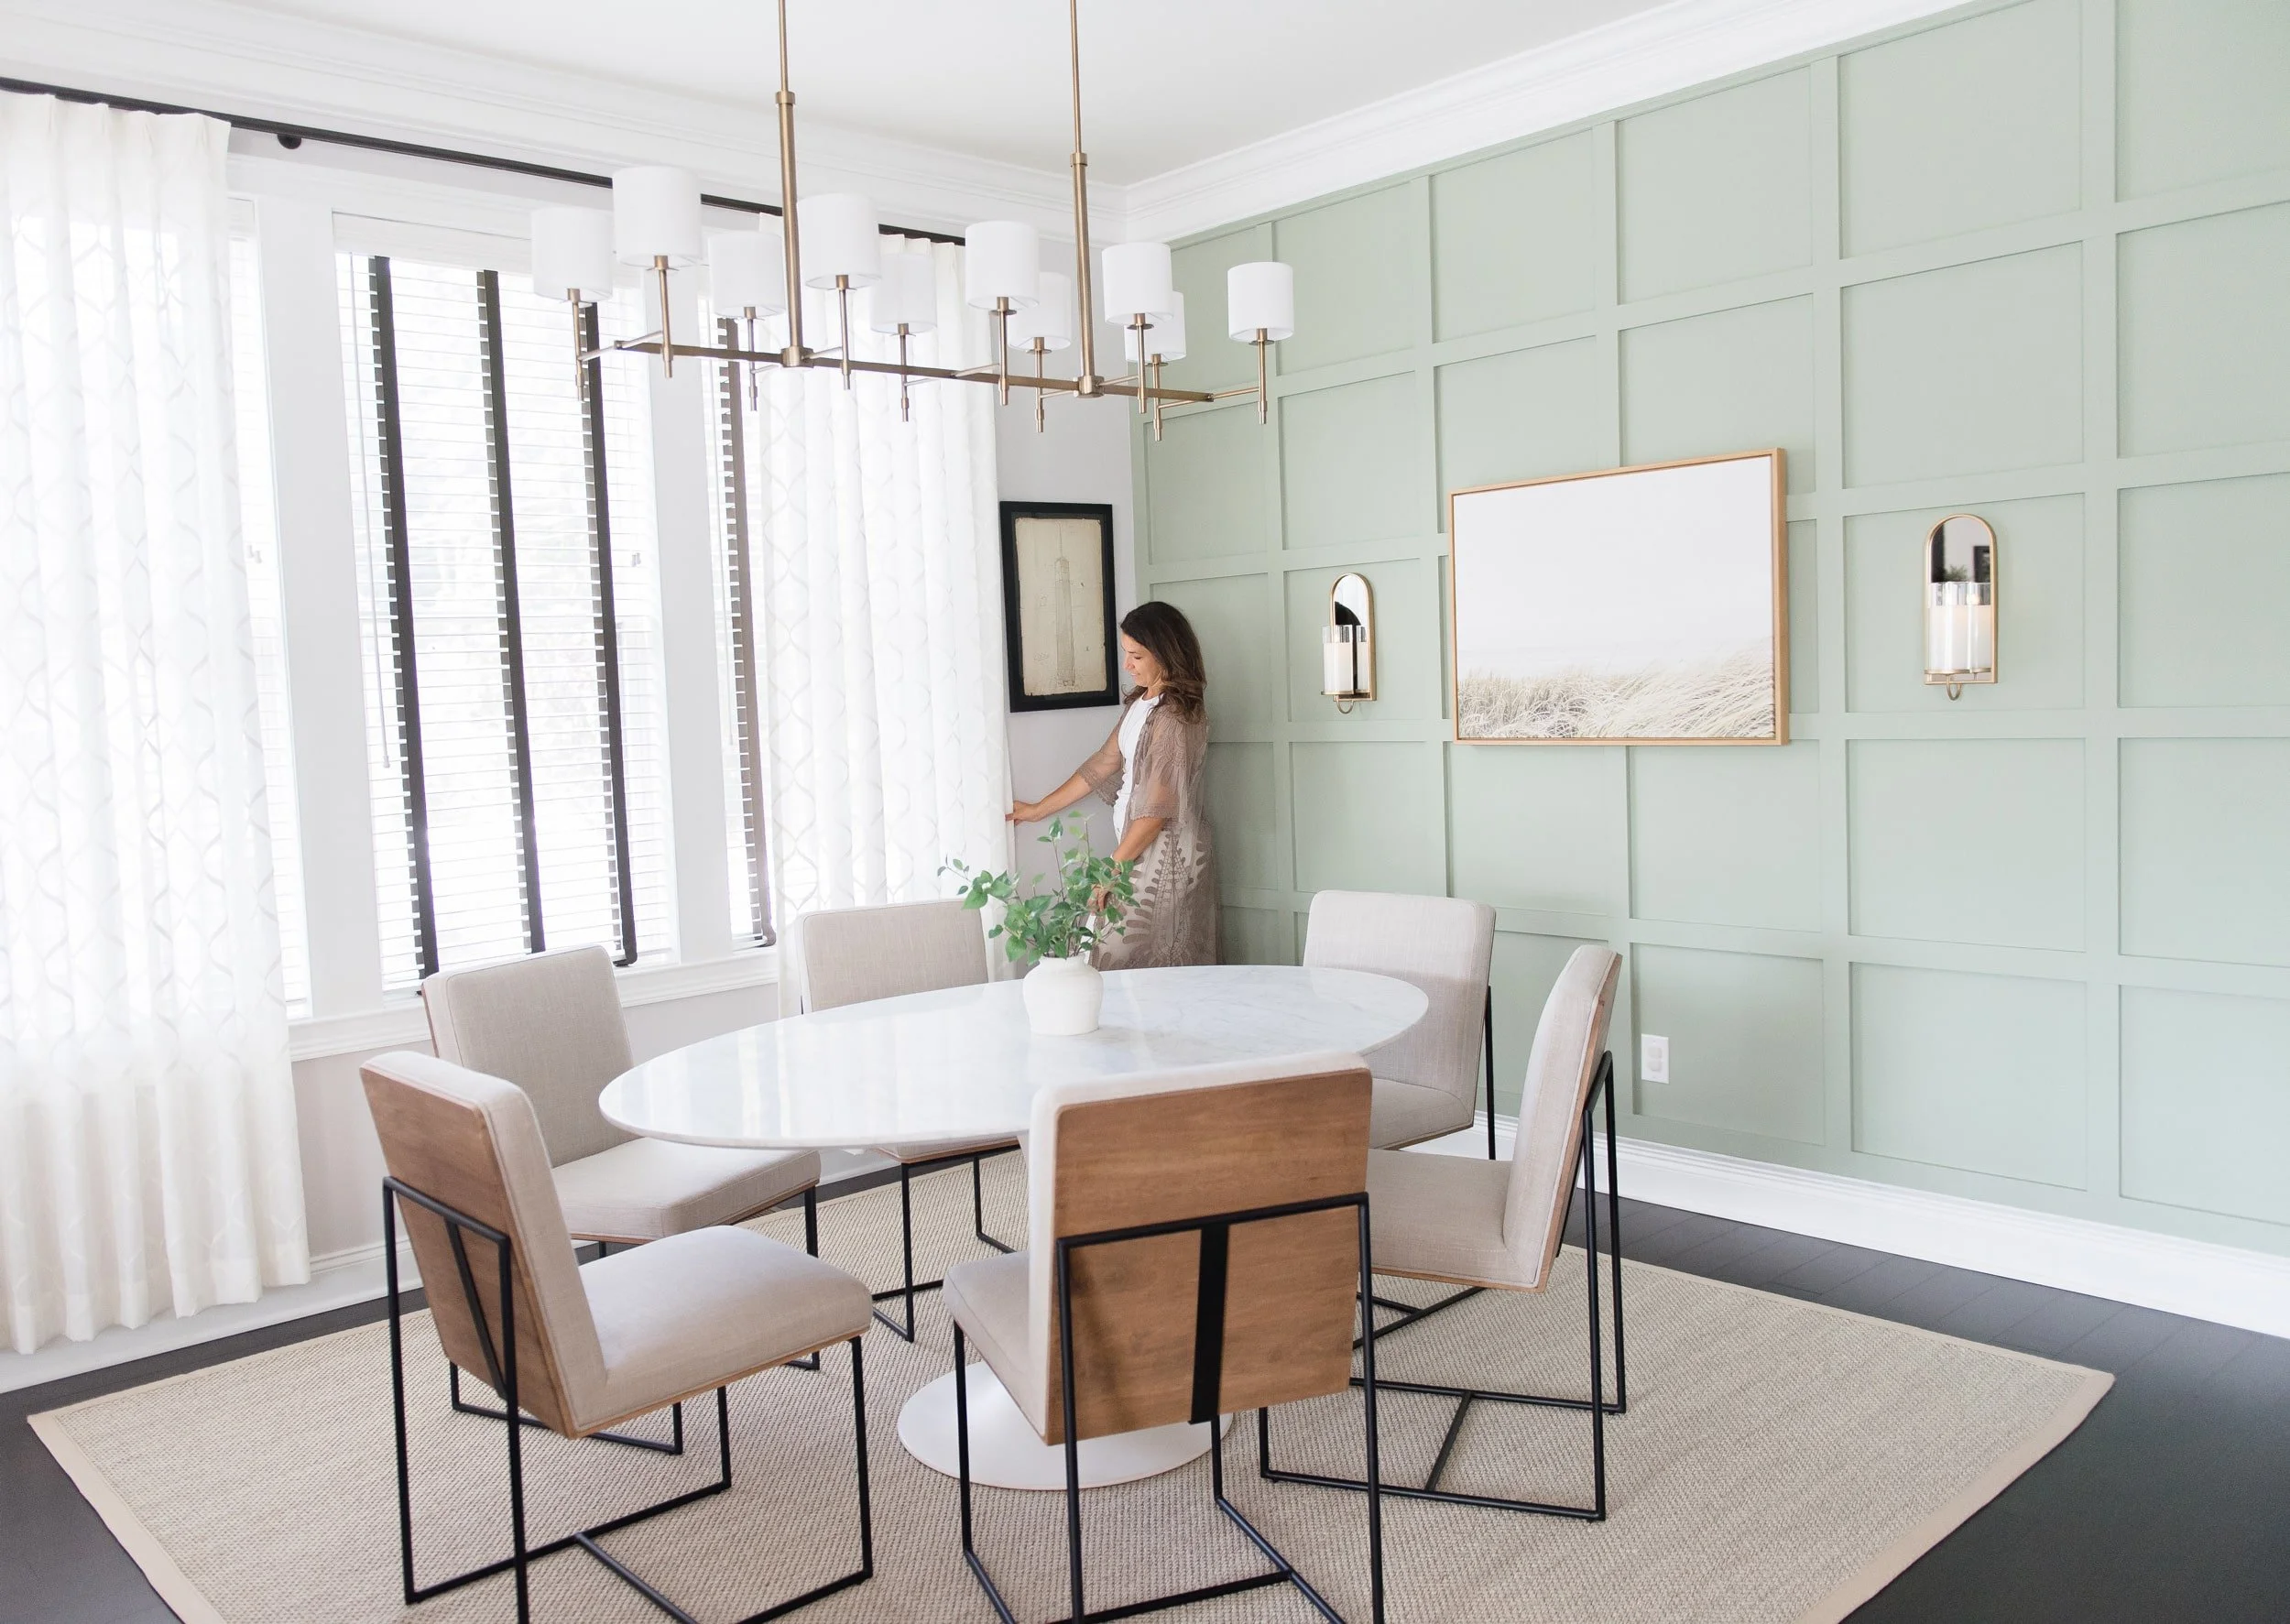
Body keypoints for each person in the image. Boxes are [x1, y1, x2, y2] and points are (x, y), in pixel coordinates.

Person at [1010, 601, 1216, 968]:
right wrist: (1038, 809)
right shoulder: (1143, 702)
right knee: (1113, 958)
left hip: (1164, 858)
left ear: (1165, 654)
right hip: (1135, 849)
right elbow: (1104, 763)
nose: (1127, 666)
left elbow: (1156, 814)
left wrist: (1110, 873)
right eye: (1126, 654)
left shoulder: (1173, 719)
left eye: (1136, 656)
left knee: (1114, 955)